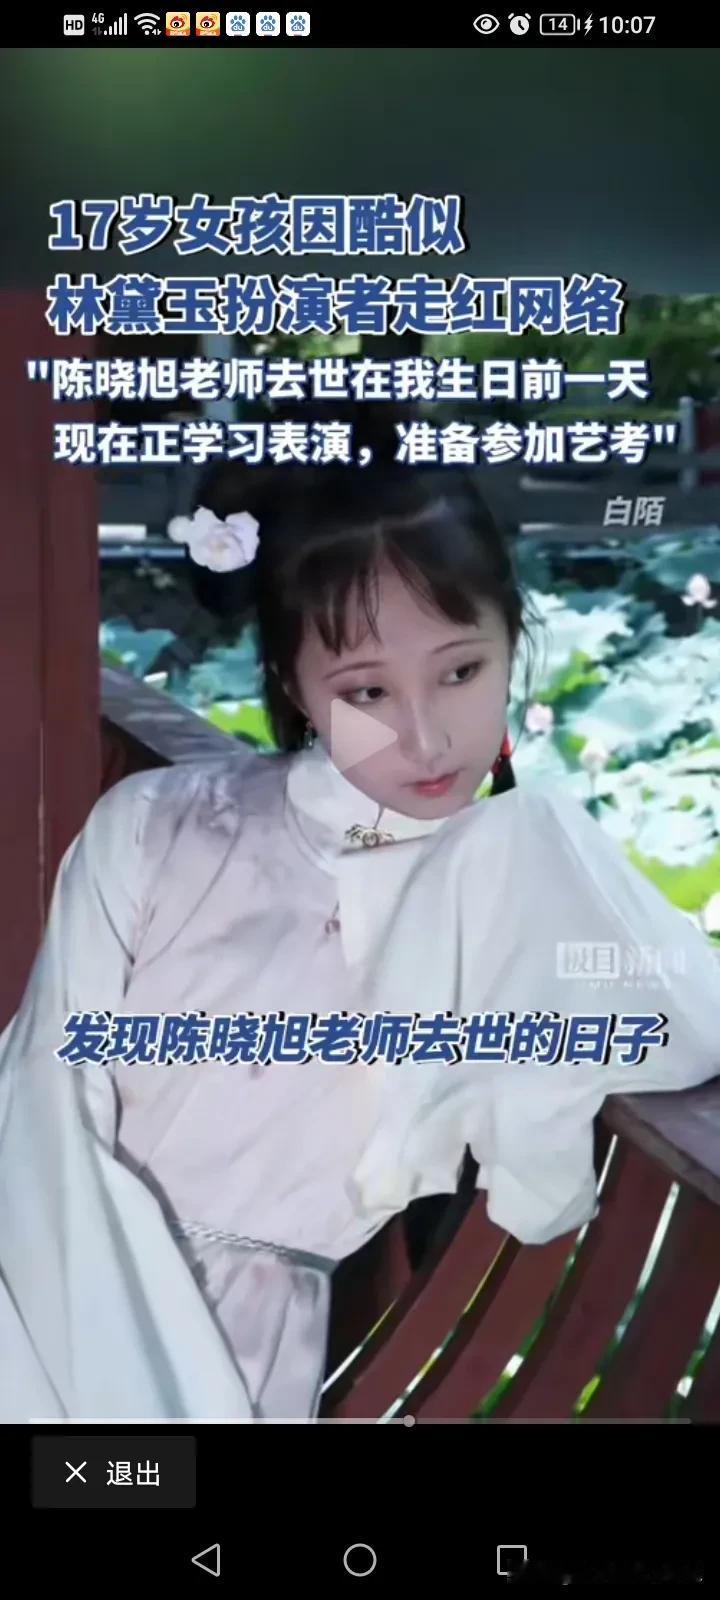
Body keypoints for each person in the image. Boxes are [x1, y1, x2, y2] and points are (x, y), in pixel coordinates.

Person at [0, 423, 718, 1423]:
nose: (425, 736)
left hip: (234, 1360)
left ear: (514, 645)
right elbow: (37, 1100)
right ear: (292, 685)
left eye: (461, 672)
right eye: (368, 691)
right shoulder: (154, 823)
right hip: (37, 1277)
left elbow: (686, 1019)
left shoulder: (514, 861)